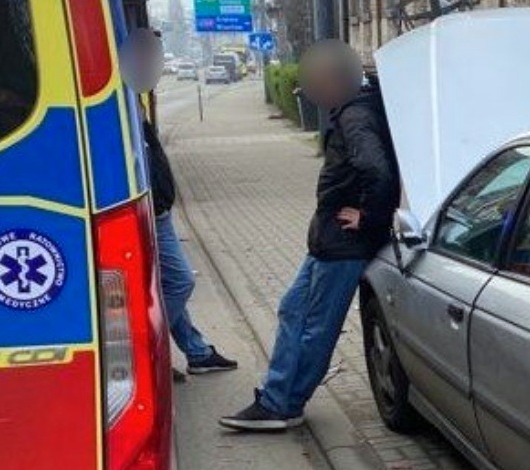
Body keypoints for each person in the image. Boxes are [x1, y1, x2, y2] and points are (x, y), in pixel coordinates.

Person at [220, 41, 398, 431]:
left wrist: (367, 217)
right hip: (329, 238)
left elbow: (379, 172)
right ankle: (278, 397)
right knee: (292, 309)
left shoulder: (355, 118)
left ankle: (282, 404)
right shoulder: (354, 110)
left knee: (317, 325)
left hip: (343, 244)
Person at [122, 28, 238, 377]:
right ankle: (147, 354)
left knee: (166, 283)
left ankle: (197, 352)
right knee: (181, 281)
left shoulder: (135, 96)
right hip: (151, 210)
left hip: (158, 207)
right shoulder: (115, 100)